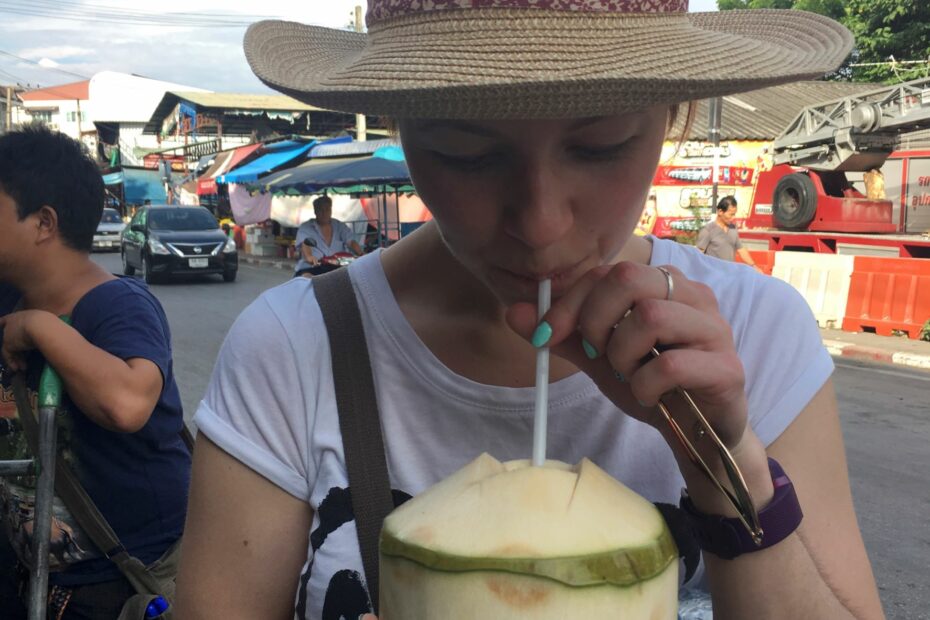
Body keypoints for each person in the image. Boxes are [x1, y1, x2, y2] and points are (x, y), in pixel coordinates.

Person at [177, 3, 884, 619]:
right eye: (467, 154)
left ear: (675, 116)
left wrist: (729, 470)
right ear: (402, 128)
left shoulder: (758, 334)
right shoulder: (293, 349)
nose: (542, 224)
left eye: (601, 146)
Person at [0, 125, 191, 619]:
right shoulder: (7, 297)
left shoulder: (117, 304)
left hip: (127, 582)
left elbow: (127, 403)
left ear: (43, 223)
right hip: (36, 582)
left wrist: (41, 328)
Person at [294, 195, 364, 277]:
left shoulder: (339, 226)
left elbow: (351, 241)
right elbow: (305, 243)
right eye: (321, 210)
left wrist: (361, 254)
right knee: (307, 278)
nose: (324, 213)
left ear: (331, 210)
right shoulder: (306, 227)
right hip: (313, 267)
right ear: (315, 211)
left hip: (338, 267)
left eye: (327, 209)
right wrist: (309, 257)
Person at [696, 196, 764, 273]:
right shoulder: (708, 230)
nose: (733, 218)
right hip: (713, 275)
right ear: (720, 212)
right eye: (731, 214)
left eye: (734, 214)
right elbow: (698, 255)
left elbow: (741, 250)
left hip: (730, 275)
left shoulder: (733, 228)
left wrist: (753, 266)